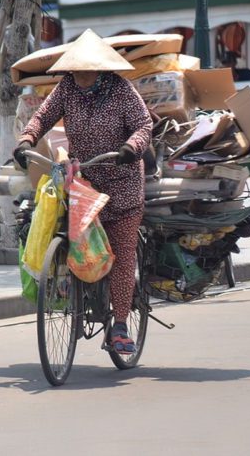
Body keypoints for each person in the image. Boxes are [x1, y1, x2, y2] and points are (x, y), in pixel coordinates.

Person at [13, 29, 153, 355]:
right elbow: (42, 117)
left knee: (120, 254)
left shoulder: (121, 90)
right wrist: (26, 140)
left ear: (100, 69)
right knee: (73, 241)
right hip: (85, 182)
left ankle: (119, 325)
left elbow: (144, 125)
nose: (81, 75)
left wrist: (132, 147)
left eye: (87, 70)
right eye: (76, 70)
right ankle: (78, 298)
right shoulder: (67, 89)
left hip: (123, 183)